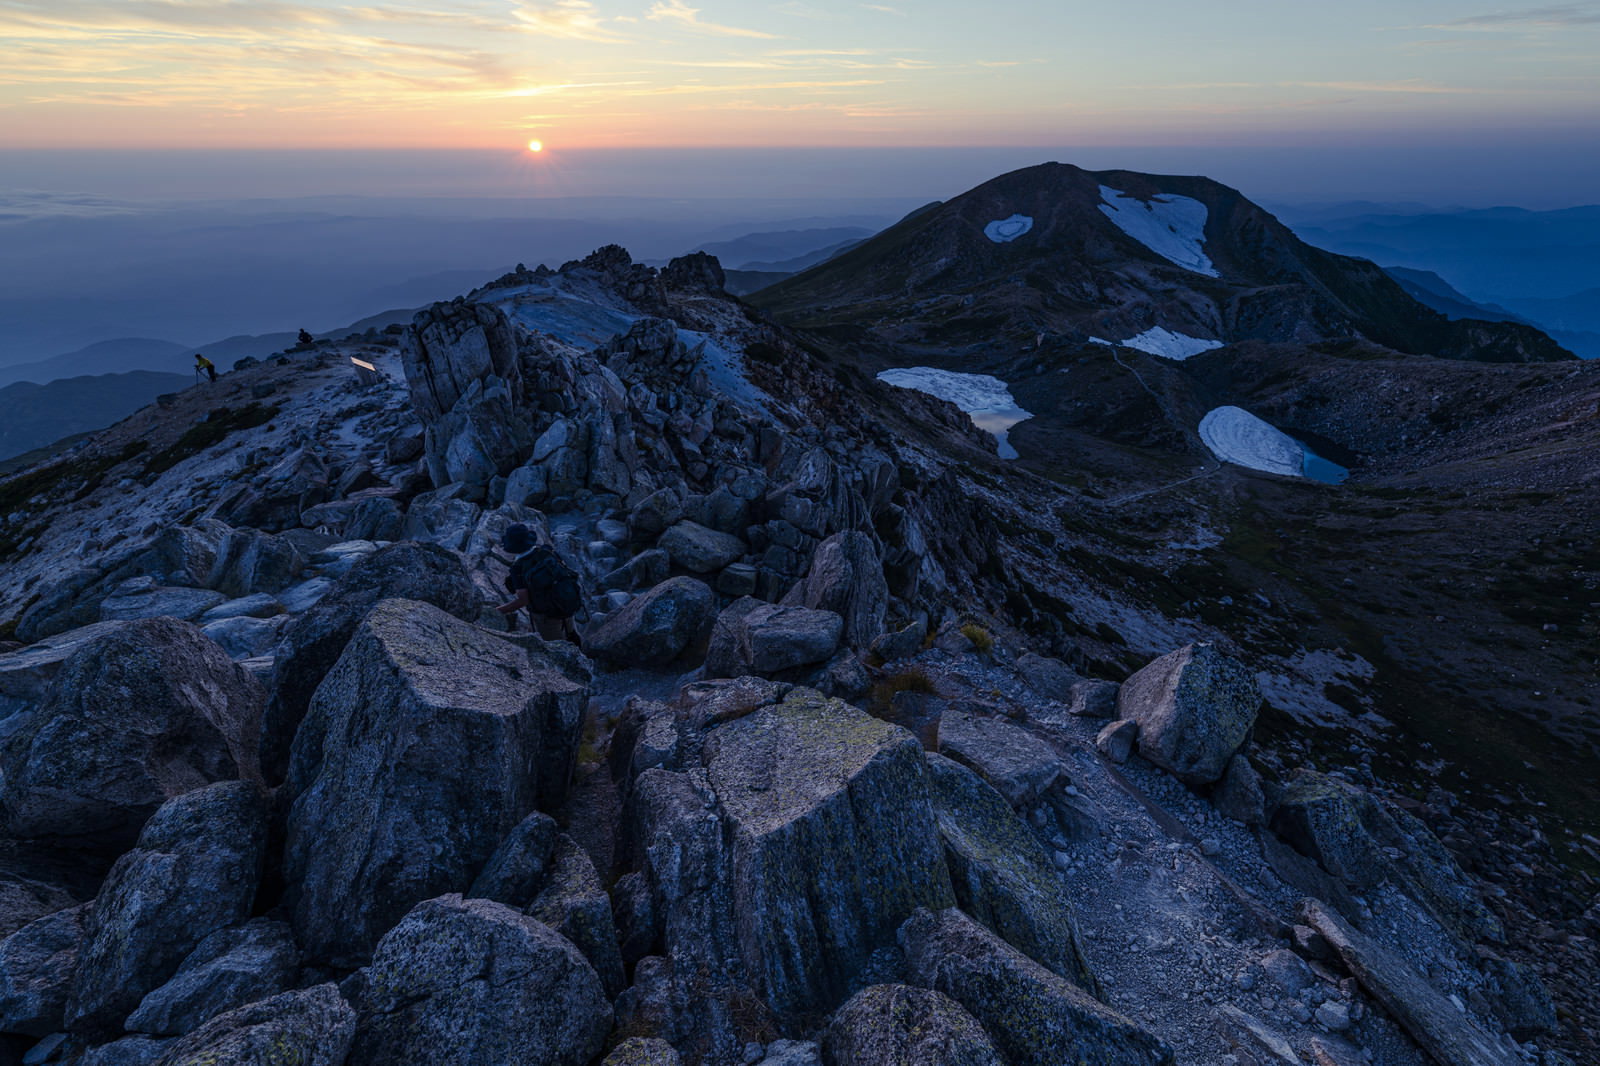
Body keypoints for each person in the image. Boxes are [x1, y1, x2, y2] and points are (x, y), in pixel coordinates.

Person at [496, 523, 583, 645]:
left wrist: (498, 611)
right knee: (573, 636)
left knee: (555, 647)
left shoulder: (518, 569)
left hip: (546, 616)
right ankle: (583, 656)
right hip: (565, 603)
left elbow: (523, 600)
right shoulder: (546, 551)